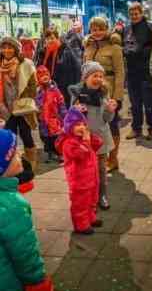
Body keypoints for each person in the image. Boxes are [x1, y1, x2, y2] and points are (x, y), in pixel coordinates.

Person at [0, 129, 54, 291]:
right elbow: (24, 252)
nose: (20, 155)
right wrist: (38, 281)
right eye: (14, 154)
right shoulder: (11, 206)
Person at [69, 61, 117, 210]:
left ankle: (102, 195)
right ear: (86, 77)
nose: (98, 79)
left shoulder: (104, 94)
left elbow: (108, 119)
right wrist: (75, 109)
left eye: (101, 76)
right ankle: (90, 198)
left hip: (101, 138)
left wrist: (110, 110)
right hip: (84, 140)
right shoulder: (78, 94)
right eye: (94, 75)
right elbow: (71, 118)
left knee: (101, 170)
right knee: (87, 172)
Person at [84, 17, 124, 173]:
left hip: (109, 92)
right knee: (94, 125)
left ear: (107, 29)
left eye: (100, 29)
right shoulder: (88, 46)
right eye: (94, 29)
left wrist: (117, 96)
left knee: (112, 124)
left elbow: (120, 73)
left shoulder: (115, 47)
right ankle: (100, 157)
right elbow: (84, 71)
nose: (97, 32)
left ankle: (113, 159)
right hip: (91, 92)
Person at [56, 107, 103, 235]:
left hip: (91, 177)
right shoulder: (68, 143)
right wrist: (86, 141)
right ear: (69, 127)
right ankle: (81, 225)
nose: (81, 127)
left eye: (83, 124)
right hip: (79, 180)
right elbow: (79, 154)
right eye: (77, 125)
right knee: (80, 203)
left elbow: (98, 144)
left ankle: (90, 218)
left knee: (91, 200)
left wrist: (90, 136)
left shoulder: (84, 138)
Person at [0, 37, 39, 172]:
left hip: (22, 106)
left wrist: (28, 97)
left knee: (26, 134)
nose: (7, 50)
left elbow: (34, 84)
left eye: (10, 47)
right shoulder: (0, 64)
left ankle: (31, 162)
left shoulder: (26, 63)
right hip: (5, 107)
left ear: (16, 49)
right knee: (8, 136)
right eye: (4, 47)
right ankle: (11, 163)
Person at [123, 2, 152, 140]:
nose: (134, 16)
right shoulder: (126, 29)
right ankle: (136, 129)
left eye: (136, 13)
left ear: (141, 13)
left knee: (149, 102)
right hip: (132, 72)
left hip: (147, 72)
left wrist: (143, 52)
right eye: (131, 14)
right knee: (135, 103)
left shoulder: (150, 26)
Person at [35, 66, 67, 163]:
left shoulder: (55, 90)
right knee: (45, 138)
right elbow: (35, 103)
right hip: (43, 119)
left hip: (54, 118)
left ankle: (58, 153)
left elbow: (61, 103)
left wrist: (64, 115)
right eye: (41, 75)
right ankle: (49, 153)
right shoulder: (38, 91)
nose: (44, 77)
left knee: (56, 136)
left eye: (46, 75)